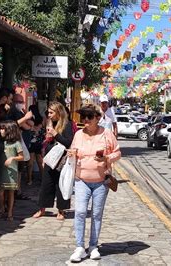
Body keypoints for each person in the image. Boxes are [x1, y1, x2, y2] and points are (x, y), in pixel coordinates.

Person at [68, 104, 121, 262]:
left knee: (97, 215)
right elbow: (73, 151)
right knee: (80, 212)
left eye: (89, 117)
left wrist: (106, 158)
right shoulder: (78, 134)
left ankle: (93, 246)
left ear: (98, 118)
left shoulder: (107, 134)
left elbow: (117, 152)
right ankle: (79, 247)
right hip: (82, 180)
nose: (85, 120)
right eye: (83, 116)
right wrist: (71, 154)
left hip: (101, 181)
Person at [33, 101, 73, 220]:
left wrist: (55, 134)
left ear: (58, 112)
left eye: (51, 112)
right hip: (51, 158)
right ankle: (42, 208)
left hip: (62, 159)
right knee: (46, 184)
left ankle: (61, 210)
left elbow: (68, 142)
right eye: (48, 112)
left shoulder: (67, 125)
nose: (49, 115)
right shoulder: (50, 123)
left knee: (61, 184)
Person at [0, 120, 24, 221]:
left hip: (12, 171)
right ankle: (2, 208)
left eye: (3, 129)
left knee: (11, 192)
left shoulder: (16, 143)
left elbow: (21, 157)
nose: (0, 131)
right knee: (0, 192)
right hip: (2, 170)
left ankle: (10, 212)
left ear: (9, 131)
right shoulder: (3, 142)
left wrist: (12, 158)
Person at [8, 94, 34, 199]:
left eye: (22, 101)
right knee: (16, 167)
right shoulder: (12, 112)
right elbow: (27, 126)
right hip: (13, 143)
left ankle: (17, 190)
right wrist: (26, 118)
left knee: (20, 167)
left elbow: (30, 124)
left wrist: (25, 116)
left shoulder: (20, 112)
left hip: (21, 142)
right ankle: (15, 191)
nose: (21, 103)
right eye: (18, 101)